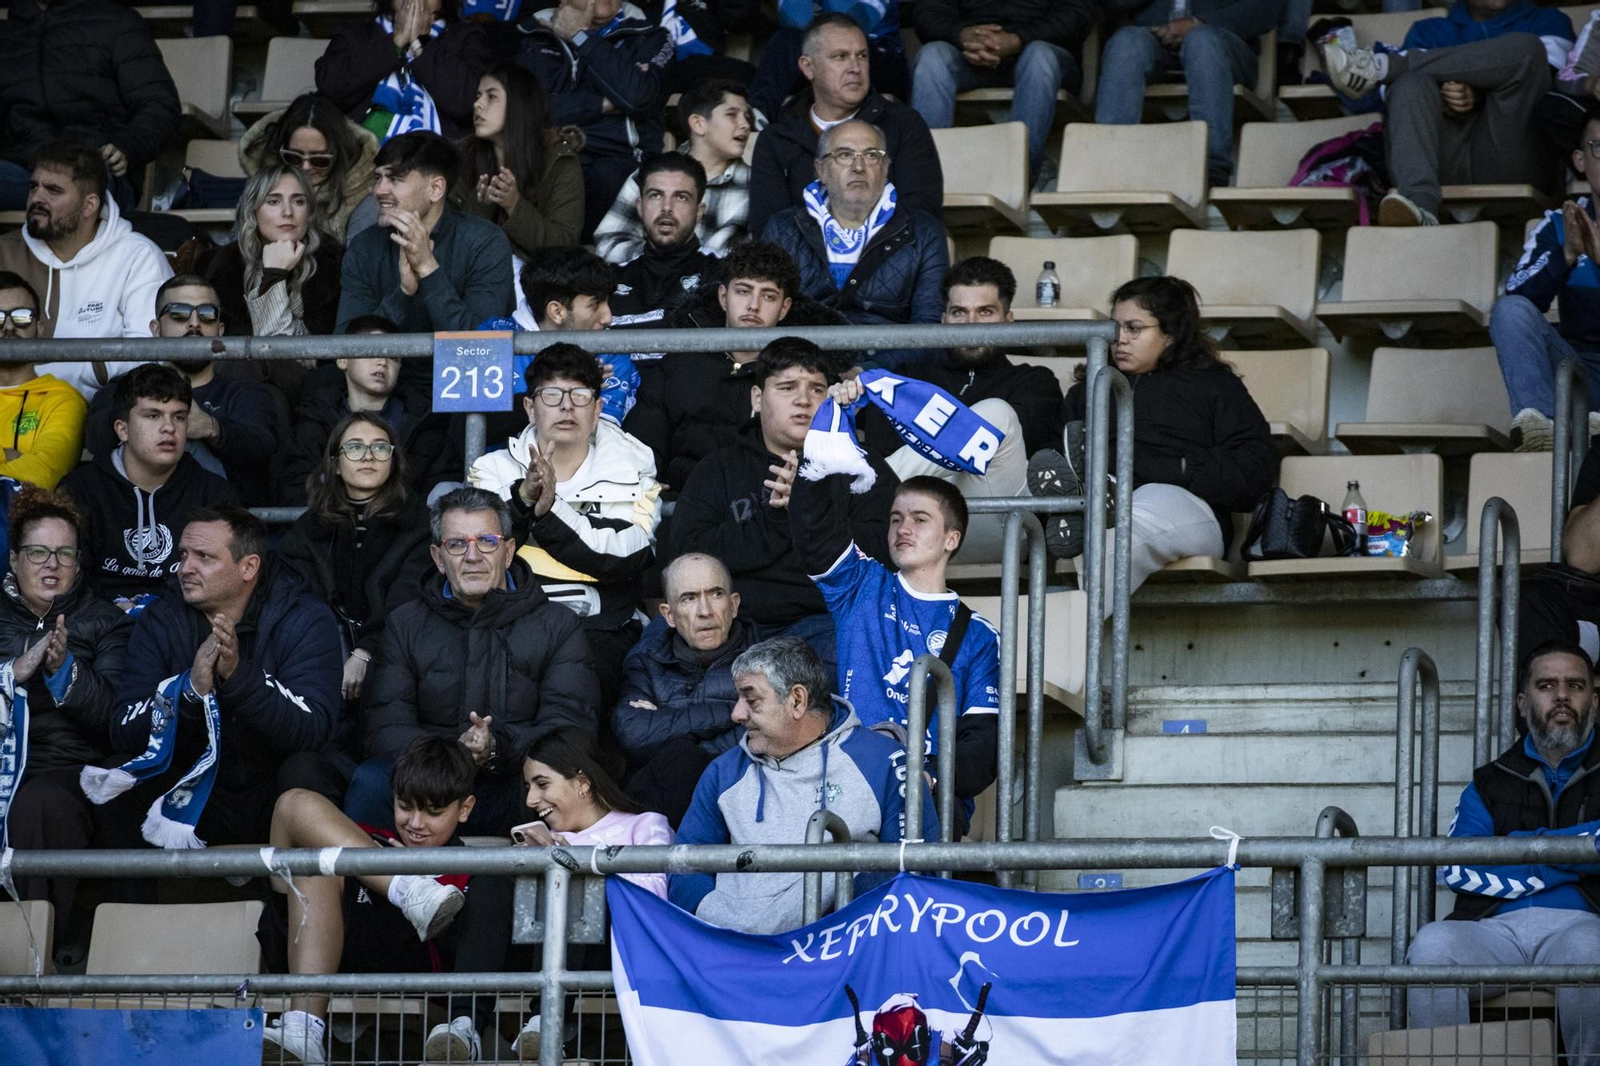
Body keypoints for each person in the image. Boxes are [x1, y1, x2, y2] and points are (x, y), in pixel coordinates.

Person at [787, 401, 1003, 832]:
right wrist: (829, 431)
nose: (903, 529)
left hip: (926, 796)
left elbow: (982, 745)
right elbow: (814, 532)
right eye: (896, 519)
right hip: (847, 781)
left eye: (920, 520)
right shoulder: (862, 585)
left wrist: (931, 775)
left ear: (951, 538)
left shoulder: (979, 635)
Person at [86, 509, 343, 847]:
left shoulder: (305, 618)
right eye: (182, 555)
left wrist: (239, 676)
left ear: (249, 566)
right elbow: (123, 730)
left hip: (270, 793)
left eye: (203, 557)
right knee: (120, 773)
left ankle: (293, 901)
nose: (185, 567)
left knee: (307, 772)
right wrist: (188, 692)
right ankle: (135, 902)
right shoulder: (160, 620)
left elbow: (313, 730)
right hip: (191, 791)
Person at [351, 487, 600, 834]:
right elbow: (385, 730)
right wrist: (453, 758)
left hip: (515, 786)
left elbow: (570, 730)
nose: (472, 556)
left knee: (567, 785)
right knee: (371, 780)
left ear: (509, 551)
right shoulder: (405, 623)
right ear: (438, 558)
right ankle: (385, 889)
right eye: (457, 544)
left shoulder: (557, 625)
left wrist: (495, 748)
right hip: (429, 788)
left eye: (487, 541)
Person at [259, 737, 513, 1065]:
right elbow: (291, 809)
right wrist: (385, 868)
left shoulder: (471, 872)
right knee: (299, 815)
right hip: (314, 948)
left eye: (433, 812)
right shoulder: (360, 840)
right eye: (405, 806)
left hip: (408, 970)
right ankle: (302, 1030)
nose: (416, 824)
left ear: (464, 809)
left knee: (319, 855)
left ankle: (412, 891)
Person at [1029, 276, 1278, 606]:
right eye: (1114, 329)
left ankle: (1068, 637)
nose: (1120, 340)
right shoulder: (1088, 391)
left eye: (1134, 328)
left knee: (1128, 519)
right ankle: (1093, 509)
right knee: (1094, 528)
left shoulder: (1216, 385)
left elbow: (1256, 469)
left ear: (1170, 335)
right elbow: (1053, 463)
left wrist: (1182, 467)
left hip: (1186, 505)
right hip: (1104, 508)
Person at [1405, 641, 1600, 1059]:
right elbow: (1459, 866)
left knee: (1592, 948)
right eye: (1546, 685)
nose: (1562, 695)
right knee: (1432, 946)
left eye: (1576, 685)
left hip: (1584, 925)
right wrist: (1572, 858)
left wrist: (1526, 849)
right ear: (1523, 701)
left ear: (1594, 699)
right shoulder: (1490, 781)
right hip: (1494, 931)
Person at [669, 635, 933, 934]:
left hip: (839, 953)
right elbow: (684, 867)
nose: (737, 714)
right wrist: (725, 929)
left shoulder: (884, 762)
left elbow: (918, 875)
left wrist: (838, 926)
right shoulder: (723, 772)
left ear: (796, 700)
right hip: (735, 955)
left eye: (751, 699)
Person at [668, 338, 897, 655]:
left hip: (830, 624)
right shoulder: (718, 469)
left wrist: (813, 513)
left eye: (817, 389)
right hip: (733, 627)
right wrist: (775, 520)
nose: (804, 400)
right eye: (787, 388)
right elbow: (685, 554)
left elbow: (890, 550)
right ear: (758, 398)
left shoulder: (862, 466)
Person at [468, 343, 662, 707]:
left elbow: (627, 553)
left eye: (580, 395)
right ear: (530, 407)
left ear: (598, 409)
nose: (567, 406)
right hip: (510, 616)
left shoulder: (634, 465)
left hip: (602, 624)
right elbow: (480, 551)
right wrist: (524, 497)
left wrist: (549, 510)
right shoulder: (490, 469)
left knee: (576, 686)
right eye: (552, 394)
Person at [857, 256, 1062, 560]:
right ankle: (864, 503)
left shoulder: (1034, 381)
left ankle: (858, 500)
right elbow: (882, 443)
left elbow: (1016, 451)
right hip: (910, 527)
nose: (970, 325)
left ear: (1009, 320)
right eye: (959, 312)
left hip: (994, 527)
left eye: (985, 312)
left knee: (997, 415)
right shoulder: (909, 378)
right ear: (943, 320)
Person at [2, 486, 132, 958]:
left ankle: (31, 954)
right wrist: (9, 677)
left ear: (79, 563)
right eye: (38, 552)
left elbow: (119, 721)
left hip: (65, 766)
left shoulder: (105, 622)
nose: (51, 564)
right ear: (14, 559)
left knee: (42, 805)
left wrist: (65, 673)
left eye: (64, 553)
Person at [276, 413, 433, 801]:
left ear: (394, 459)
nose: (369, 456)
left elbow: (408, 599)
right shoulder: (308, 531)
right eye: (355, 447)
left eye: (380, 447)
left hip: (395, 660)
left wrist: (365, 651)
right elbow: (300, 604)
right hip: (325, 665)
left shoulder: (418, 526)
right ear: (336, 461)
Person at [1320, 0, 1574, 225]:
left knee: (1527, 49)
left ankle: (1382, 66)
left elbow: (1550, 82)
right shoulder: (1428, 30)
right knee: (1410, 84)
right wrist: (1438, 97)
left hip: (1513, 156)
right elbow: (1393, 98)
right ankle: (1419, 205)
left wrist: (1477, 97)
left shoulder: (1548, 20)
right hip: (1445, 159)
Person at [626, 239, 849, 489]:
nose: (754, 305)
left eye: (768, 296)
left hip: (772, 503)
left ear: (784, 307)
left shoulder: (806, 372)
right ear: (723, 297)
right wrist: (648, 481)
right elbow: (642, 441)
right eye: (743, 291)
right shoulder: (680, 361)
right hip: (685, 499)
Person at [511, 728, 673, 1057]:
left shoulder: (644, 825)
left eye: (542, 784)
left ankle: (547, 1020)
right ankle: (468, 1022)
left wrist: (580, 864)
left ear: (582, 782)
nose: (530, 799)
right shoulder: (543, 839)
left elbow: (654, 896)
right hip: (535, 960)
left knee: (577, 889)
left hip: (619, 952)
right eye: (528, 787)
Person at [78, 275, 283, 508]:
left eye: (206, 314)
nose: (194, 323)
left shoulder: (246, 393)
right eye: (178, 313)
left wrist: (210, 427)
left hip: (217, 528)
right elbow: (96, 439)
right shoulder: (122, 389)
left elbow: (262, 447)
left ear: (220, 329)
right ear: (156, 329)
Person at [761, 119, 948, 368]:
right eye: (844, 155)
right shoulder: (783, 229)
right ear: (820, 170)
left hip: (890, 376)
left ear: (885, 168)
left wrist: (866, 373)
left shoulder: (924, 232)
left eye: (871, 155)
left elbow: (931, 331)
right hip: (800, 369)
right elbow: (765, 315)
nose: (858, 166)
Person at [0, 142, 172, 399]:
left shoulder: (138, 256)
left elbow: (149, 358)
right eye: (33, 186)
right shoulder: (4, 252)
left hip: (100, 413)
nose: (37, 198)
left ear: (89, 205)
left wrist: (95, 370)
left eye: (53, 190)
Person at [59, 365, 239, 609]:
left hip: (181, 627)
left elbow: (225, 584)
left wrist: (154, 612)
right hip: (96, 629)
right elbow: (64, 581)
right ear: (122, 430)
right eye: (153, 415)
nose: (169, 427)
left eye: (179, 417)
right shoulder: (80, 490)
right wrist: (111, 615)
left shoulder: (214, 494)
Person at [748, 13, 944, 236]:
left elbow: (921, 215)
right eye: (840, 57)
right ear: (808, 67)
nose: (855, 67)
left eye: (862, 56)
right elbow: (770, 230)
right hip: (800, 267)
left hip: (889, 263)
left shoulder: (903, 124)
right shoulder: (777, 139)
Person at [613, 552, 756, 825]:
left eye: (715, 594)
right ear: (668, 615)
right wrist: (733, 711)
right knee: (680, 759)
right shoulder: (647, 660)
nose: (705, 611)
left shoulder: (763, 660)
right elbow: (633, 734)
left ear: (734, 604)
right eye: (689, 598)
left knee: (682, 757)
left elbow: (761, 737)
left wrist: (666, 722)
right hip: (660, 801)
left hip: (739, 792)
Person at [513, 0, 675, 241]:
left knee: (608, 175)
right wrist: (603, 104)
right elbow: (527, 108)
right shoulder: (533, 33)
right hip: (548, 154)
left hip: (619, 159)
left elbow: (638, 97)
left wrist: (581, 37)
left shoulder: (651, 35)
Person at [0, 0, 180, 211]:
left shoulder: (116, 21)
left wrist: (127, 146)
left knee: (80, 184)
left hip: (96, 166)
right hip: (25, 170)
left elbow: (159, 105)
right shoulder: (6, 35)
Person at [336, 131, 515, 337]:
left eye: (394, 179)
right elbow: (346, 345)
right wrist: (403, 294)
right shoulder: (364, 246)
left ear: (436, 189)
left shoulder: (485, 242)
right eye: (378, 178)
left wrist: (428, 269)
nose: (379, 190)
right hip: (389, 368)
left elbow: (480, 346)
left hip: (460, 368)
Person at [1491, 115, 1600, 450]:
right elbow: (1517, 301)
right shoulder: (1557, 225)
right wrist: (1566, 254)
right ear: (1580, 161)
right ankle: (1543, 428)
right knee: (1509, 311)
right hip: (1581, 377)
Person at [1094, 0, 1283, 187]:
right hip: (1155, 37)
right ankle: (1109, 166)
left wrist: (1197, 23)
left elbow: (1266, 9)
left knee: (1201, 39)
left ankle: (1210, 170)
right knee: (1126, 41)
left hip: (1224, 42)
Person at [911, 0, 1098, 184]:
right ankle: (925, 187)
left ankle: (1017, 181)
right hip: (970, 56)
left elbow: (1079, 13)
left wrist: (1017, 39)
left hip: (1046, 56)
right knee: (932, 57)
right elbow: (927, 12)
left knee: (1039, 56)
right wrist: (963, 36)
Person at [279, 319, 457, 507]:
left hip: (405, 532)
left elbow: (441, 492)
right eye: (372, 352)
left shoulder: (424, 424)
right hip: (331, 530)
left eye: (393, 358)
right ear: (342, 359)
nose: (382, 362)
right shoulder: (315, 421)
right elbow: (295, 490)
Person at [595, 81, 754, 265]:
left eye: (747, 116)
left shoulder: (756, 186)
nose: (745, 124)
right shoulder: (650, 176)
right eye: (732, 115)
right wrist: (660, 262)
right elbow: (608, 243)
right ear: (698, 124)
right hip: (648, 286)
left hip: (714, 289)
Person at [449, 61, 585, 262]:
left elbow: (564, 244)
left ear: (518, 104)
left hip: (536, 282)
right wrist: (482, 205)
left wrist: (514, 205)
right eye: (478, 96)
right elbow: (451, 243)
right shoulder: (464, 156)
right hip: (475, 276)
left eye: (491, 96)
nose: (477, 104)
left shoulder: (559, 161)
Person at [197, 166, 343, 339]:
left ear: (309, 211)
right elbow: (269, 350)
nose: (288, 212)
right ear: (253, 210)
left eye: (298, 201)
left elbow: (283, 350)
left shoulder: (335, 264)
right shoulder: (221, 267)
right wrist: (275, 274)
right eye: (273, 201)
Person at [315, 0, 492, 143]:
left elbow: (467, 102)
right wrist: (397, 40)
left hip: (437, 162)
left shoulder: (466, 37)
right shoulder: (356, 34)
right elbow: (331, 88)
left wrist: (418, 44)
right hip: (361, 159)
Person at [239, 94, 381, 242]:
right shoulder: (262, 185)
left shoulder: (363, 200)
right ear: (280, 153)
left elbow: (359, 264)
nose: (305, 167)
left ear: (339, 155)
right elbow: (241, 250)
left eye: (319, 160)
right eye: (294, 157)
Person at [607, 153, 726, 328]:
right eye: (655, 195)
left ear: (699, 212)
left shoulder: (721, 274)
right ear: (640, 207)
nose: (666, 208)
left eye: (681, 197)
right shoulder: (611, 279)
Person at [747, 2, 911, 122]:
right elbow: (795, 20)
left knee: (849, 43)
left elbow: (849, 23)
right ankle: (756, 114)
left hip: (875, 59)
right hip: (819, 61)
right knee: (787, 38)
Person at [0, 272, 89, 489]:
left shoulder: (63, 399)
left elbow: (42, 477)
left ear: (39, 327)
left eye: (22, 317)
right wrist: (9, 455)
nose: (9, 327)